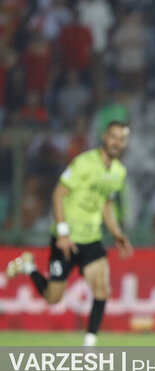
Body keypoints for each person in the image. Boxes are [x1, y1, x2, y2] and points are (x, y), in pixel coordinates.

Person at [6, 121, 133, 347]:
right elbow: (58, 193)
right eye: (113, 137)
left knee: (101, 289)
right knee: (53, 298)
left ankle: (89, 346)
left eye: (121, 139)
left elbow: (106, 205)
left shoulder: (118, 172)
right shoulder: (84, 162)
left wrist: (116, 233)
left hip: (91, 238)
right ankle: (29, 267)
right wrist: (63, 233)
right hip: (66, 238)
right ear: (104, 136)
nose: (117, 142)